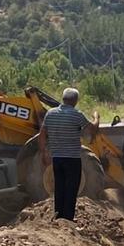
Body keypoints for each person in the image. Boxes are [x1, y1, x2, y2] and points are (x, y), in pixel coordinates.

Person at [38, 87, 100, 222]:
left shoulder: (51, 114)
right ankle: (68, 219)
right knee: (71, 188)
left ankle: (58, 216)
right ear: (75, 101)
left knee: (59, 186)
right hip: (72, 158)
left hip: (57, 158)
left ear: (63, 98)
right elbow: (92, 129)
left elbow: (42, 134)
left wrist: (44, 152)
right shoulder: (77, 115)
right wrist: (96, 117)